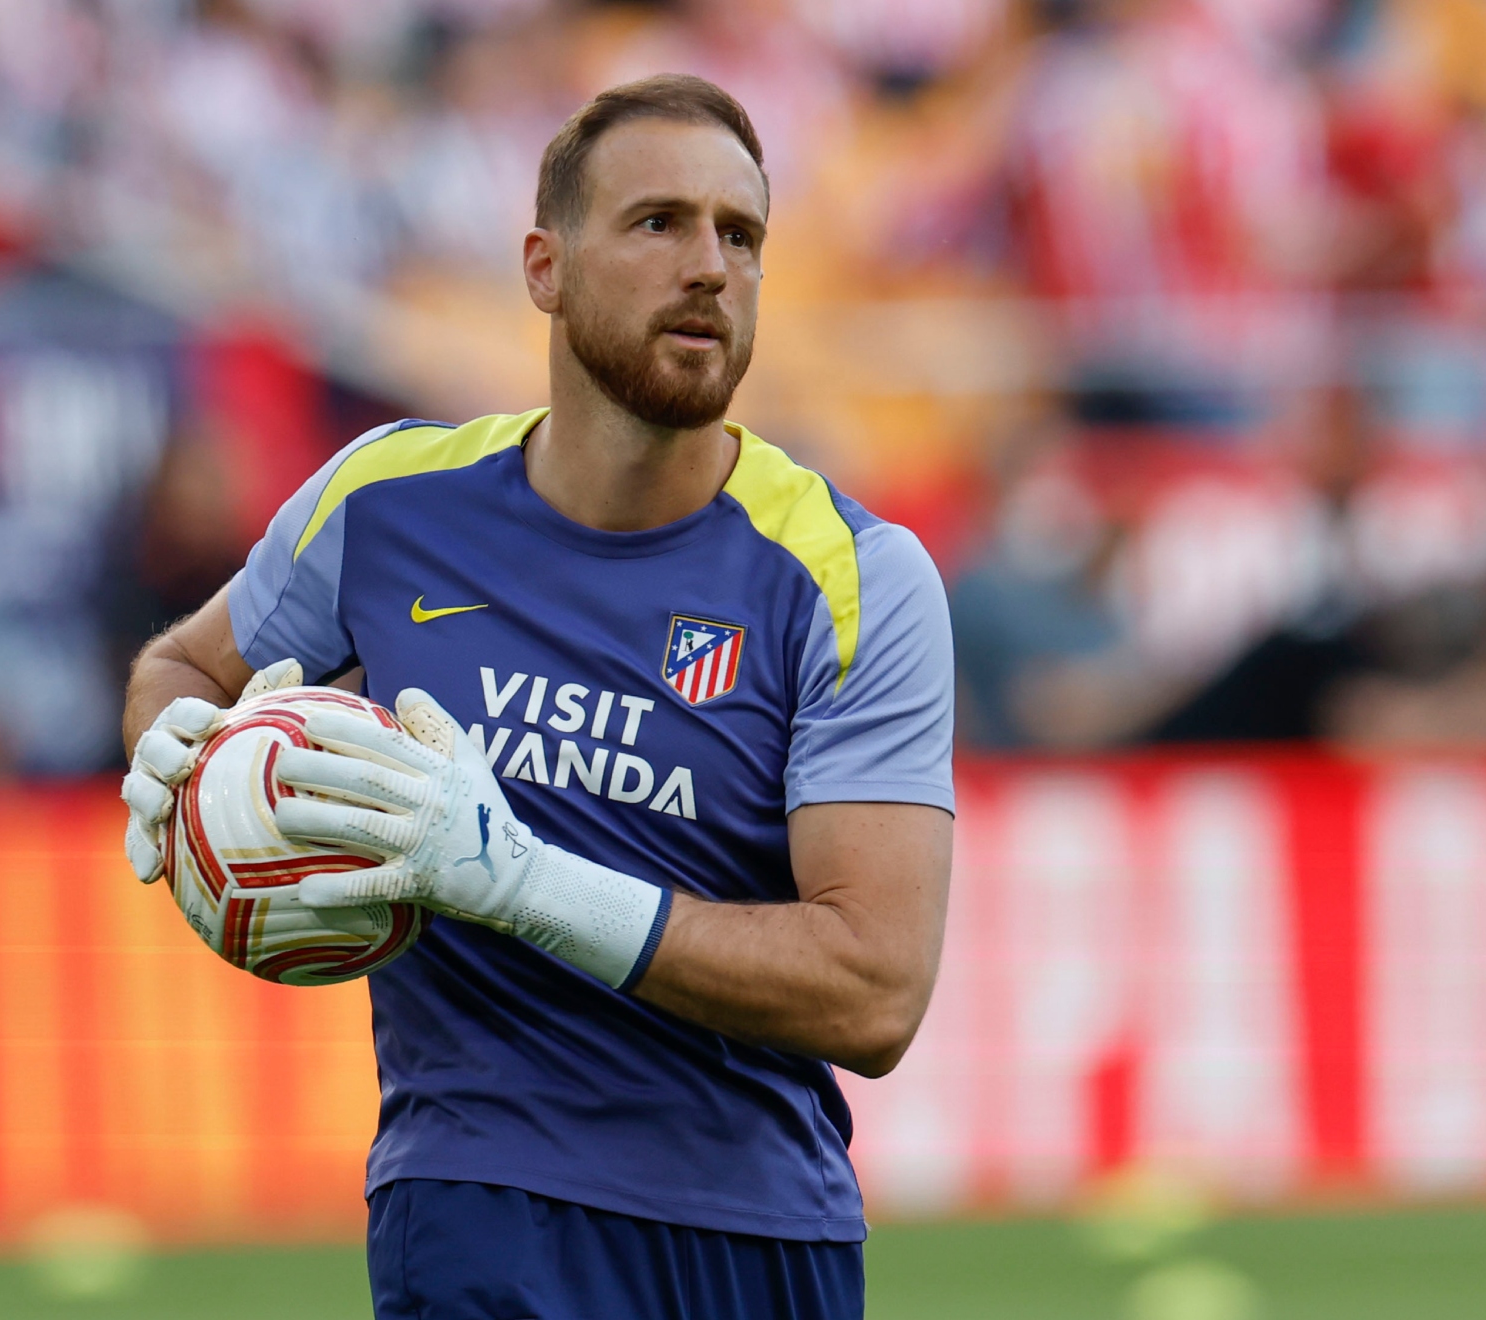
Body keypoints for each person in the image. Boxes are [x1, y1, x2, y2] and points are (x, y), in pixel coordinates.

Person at [120, 75, 954, 1319]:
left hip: (764, 1230)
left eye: (743, 235)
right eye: (660, 222)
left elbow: (873, 988)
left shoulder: (853, 578)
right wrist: (177, 763)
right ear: (543, 268)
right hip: (476, 1206)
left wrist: (515, 881)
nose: (712, 268)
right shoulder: (386, 501)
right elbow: (182, 665)